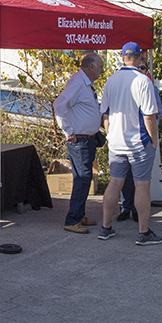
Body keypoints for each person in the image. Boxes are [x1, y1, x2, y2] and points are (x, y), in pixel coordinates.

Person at [99, 42, 162, 245]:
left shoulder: (110, 81)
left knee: (115, 183)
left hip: (116, 142)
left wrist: (110, 135)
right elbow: (149, 116)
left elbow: (105, 115)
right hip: (138, 142)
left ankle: (105, 227)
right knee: (141, 186)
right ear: (141, 56)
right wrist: (154, 141)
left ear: (122, 57)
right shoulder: (143, 81)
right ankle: (143, 232)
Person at [53, 52, 105, 234]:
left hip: (87, 139)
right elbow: (59, 105)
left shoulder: (85, 84)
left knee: (83, 178)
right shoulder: (77, 83)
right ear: (90, 67)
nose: (102, 71)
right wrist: (68, 131)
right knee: (83, 179)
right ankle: (72, 219)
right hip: (80, 140)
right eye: (100, 67)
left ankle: (79, 214)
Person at [117, 59, 162, 222]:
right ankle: (125, 206)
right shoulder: (125, 87)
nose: (141, 70)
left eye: (143, 67)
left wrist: (153, 139)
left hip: (142, 140)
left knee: (141, 181)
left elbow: (158, 112)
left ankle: (137, 212)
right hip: (124, 139)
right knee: (124, 178)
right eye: (139, 67)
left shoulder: (151, 88)